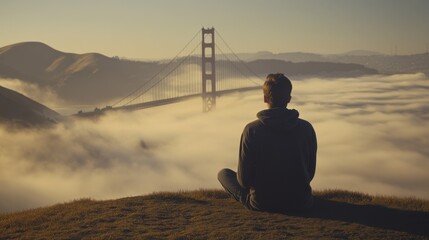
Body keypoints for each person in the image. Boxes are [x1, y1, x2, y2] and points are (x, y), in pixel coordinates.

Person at [218, 73, 317, 213]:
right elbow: (310, 173)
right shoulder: (307, 128)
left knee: (223, 174)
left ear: (265, 98)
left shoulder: (251, 130)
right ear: (289, 98)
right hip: (301, 202)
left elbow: (244, 181)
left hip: (262, 204)